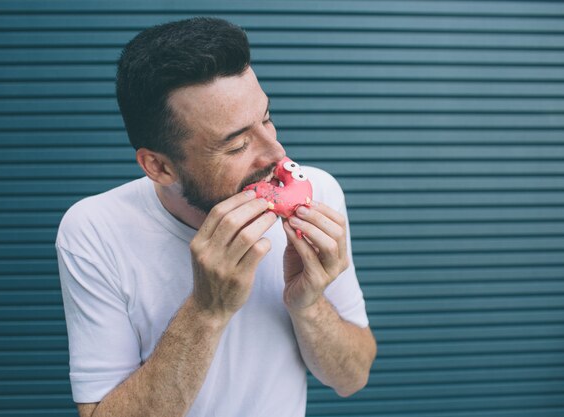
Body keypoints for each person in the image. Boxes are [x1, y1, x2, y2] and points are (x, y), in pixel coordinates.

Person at [56, 17, 376, 417]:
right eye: (238, 144)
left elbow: (353, 378)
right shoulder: (93, 230)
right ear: (159, 167)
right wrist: (207, 309)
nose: (277, 155)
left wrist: (308, 303)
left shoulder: (320, 192)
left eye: (267, 119)